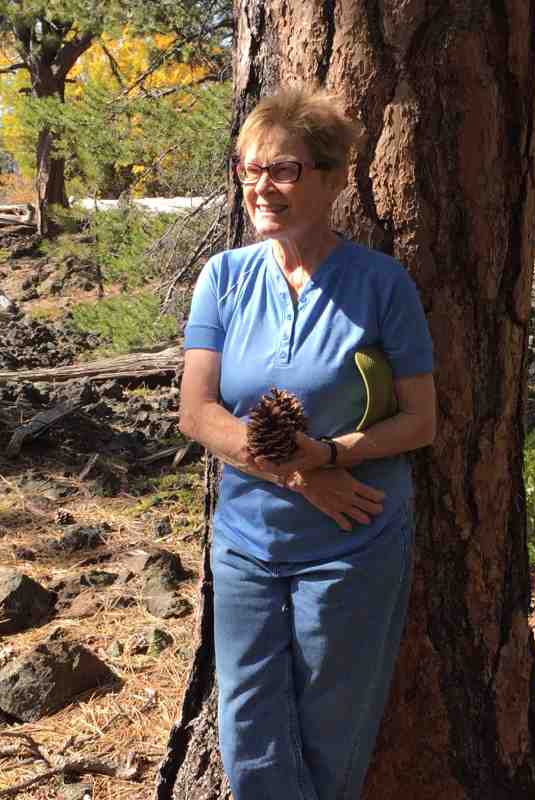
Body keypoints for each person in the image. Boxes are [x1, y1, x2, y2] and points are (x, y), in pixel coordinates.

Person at [178, 86, 436, 800]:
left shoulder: (381, 284)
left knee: (332, 726)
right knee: (247, 728)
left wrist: (331, 456)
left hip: (354, 539)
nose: (262, 187)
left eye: (284, 170)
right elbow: (197, 412)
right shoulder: (224, 278)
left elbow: (421, 421)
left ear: (332, 178)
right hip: (246, 540)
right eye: (251, 169)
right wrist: (300, 475)